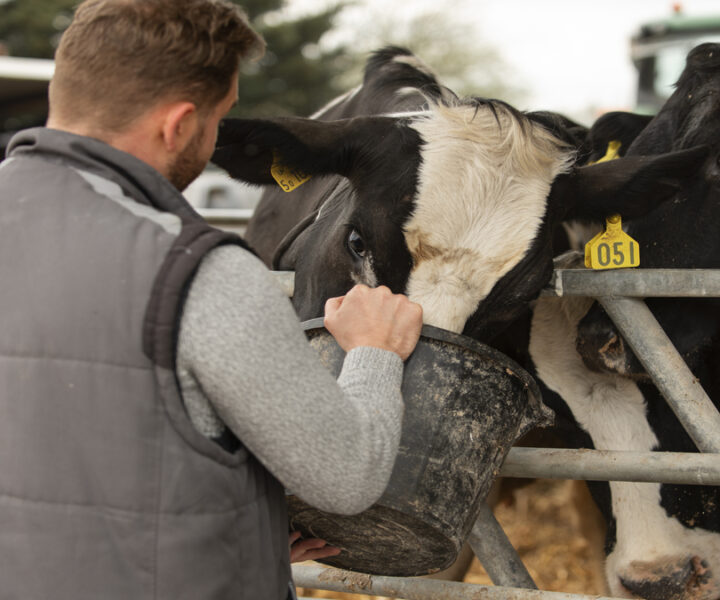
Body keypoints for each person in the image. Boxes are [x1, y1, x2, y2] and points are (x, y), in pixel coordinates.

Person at [0, 1, 423, 598]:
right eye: (219, 119)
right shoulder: (199, 274)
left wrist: (240, 534)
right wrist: (375, 352)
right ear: (178, 125)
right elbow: (347, 477)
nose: (216, 140)